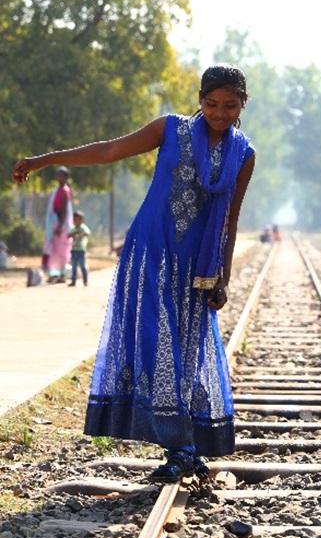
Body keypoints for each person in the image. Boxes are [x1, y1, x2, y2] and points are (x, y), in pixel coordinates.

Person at [12, 64, 255, 483]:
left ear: (243, 105)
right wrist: (44, 159)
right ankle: (180, 446)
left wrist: (224, 276)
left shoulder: (243, 154)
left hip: (198, 267)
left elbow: (231, 220)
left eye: (229, 106)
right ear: (199, 99)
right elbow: (109, 151)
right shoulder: (170, 129)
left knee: (188, 352)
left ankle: (187, 445)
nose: (219, 113)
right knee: (156, 343)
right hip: (152, 255)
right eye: (211, 104)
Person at [43, 167, 74, 282]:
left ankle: (62, 274)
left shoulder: (65, 191)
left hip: (62, 224)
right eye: (57, 174)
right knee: (54, 250)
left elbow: (64, 210)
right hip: (54, 222)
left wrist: (60, 226)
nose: (58, 177)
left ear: (65, 177)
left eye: (61, 175)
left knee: (62, 250)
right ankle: (54, 273)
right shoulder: (57, 190)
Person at [67, 210, 91, 287]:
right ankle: (73, 281)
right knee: (74, 266)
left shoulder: (83, 228)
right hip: (74, 250)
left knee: (82, 266)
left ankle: (85, 281)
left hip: (81, 250)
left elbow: (87, 233)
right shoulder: (73, 228)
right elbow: (69, 235)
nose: (76, 221)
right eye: (75, 219)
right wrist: (75, 233)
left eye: (78, 219)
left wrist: (80, 232)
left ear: (82, 220)